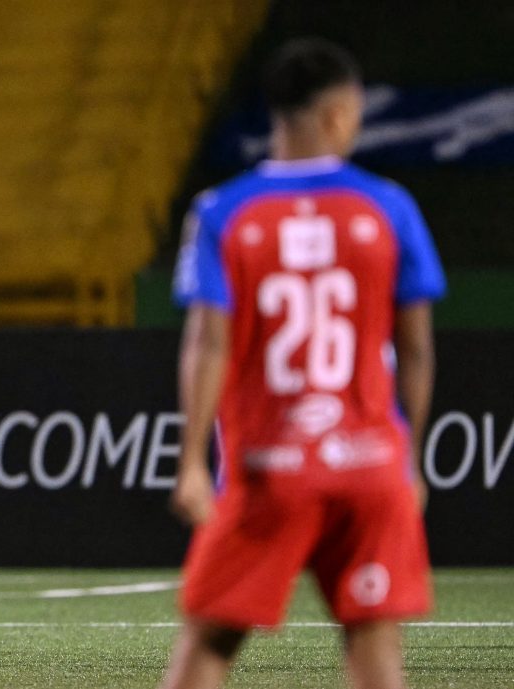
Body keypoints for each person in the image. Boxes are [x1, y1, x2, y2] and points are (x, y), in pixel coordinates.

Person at [164, 38, 445, 689]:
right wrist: (411, 458)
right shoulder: (389, 206)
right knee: (375, 651)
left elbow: (208, 343)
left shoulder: (221, 211)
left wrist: (190, 462)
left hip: (269, 470)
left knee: (207, 645)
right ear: (339, 114)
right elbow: (419, 350)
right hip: (370, 466)